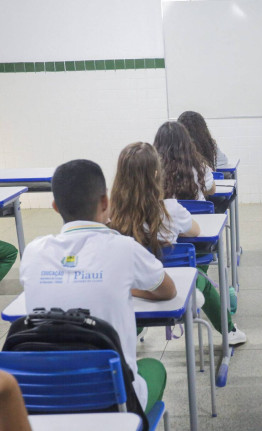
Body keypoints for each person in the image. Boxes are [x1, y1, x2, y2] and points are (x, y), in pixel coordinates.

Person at [19, 159, 176, 414]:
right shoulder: (124, 248)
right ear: (105, 202)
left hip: (45, 400)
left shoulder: (34, 252)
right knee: (154, 368)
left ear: (55, 207)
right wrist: (127, 289)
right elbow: (168, 290)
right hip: (113, 406)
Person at [110, 142, 246, 345]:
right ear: (157, 174)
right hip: (171, 281)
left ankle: (134, 330)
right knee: (204, 284)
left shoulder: (113, 216)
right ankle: (229, 331)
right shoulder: (170, 209)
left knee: (138, 294)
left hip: (131, 284)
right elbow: (197, 231)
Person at [154, 121, 216, 200]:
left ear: (157, 145)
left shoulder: (153, 169)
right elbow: (212, 190)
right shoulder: (199, 166)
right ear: (187, 143)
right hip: (197, 212)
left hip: (166, 211)